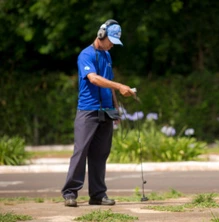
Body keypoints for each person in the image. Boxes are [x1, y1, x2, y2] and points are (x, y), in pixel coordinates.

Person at [61, 19, 135, 207]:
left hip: (106, 111)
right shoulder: (85, 55)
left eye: (114, 42)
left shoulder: (107, 56)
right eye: (109, 40)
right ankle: (70, 193)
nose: (111, 45)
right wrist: (120, 86)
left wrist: (116, 110)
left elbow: (108, 85)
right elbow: (94, 79)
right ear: (100, 34)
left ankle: (97, 195)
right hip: (88, 110)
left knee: (100, 154)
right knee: (81, 152)